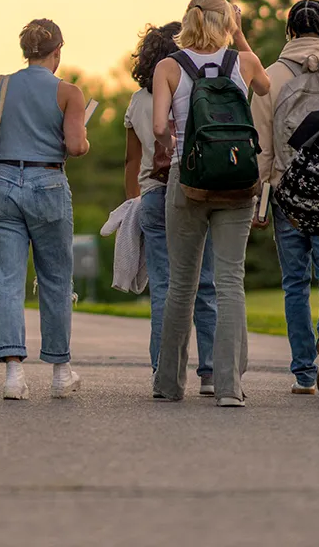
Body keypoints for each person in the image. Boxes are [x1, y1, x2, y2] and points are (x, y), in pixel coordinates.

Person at [152, 0, 270, 407]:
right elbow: (266, 85)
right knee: (230, 282)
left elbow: (159, 129)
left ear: (188, 20)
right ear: (227, 21)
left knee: (181, 285)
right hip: (237, 177)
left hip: (189, 180)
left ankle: (168, 383)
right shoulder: (245, 62)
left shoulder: (169, 66)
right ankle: (228, 388)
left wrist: (179, 143)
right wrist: (238, 35)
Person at [0, 18, 90, 400]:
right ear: (58, 52)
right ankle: (60, 372)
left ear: (25, 51)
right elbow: (77, 146)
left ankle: (14, 377)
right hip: (47, 183)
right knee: (54, 279)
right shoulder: (69, 93)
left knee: (8, 281)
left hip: (0, 185)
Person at [250, 0, 319, 397]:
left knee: (294, 282)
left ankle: (302, 373)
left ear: (289, 31)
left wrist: (260, 203)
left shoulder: (270, 76)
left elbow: (261, 147)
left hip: (286, 192)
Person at [124, 22, 218, 396]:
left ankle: (163, 371)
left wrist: (133, 200)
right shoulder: (195, 89)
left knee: (163, 287)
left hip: (152, 195)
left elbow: (131, 162)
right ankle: (209, 371)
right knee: (205, 282)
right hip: (196, 189)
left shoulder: (138, 101)